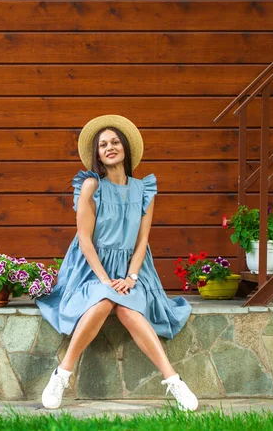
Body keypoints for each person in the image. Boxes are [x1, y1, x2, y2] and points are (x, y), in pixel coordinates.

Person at [36, 115, 197, 411]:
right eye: (102, 145)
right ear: (97, 154)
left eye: (114, 142)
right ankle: (62, 375)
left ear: (124, 147)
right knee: (102, 302)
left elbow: (141, 242)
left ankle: (174, 381)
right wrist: (104, 280)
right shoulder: (90, 187)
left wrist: (132, 277)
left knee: (127, 307)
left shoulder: (144, 190)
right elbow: (84, 240)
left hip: (133, 269)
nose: (109, 147)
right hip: (90, 268)